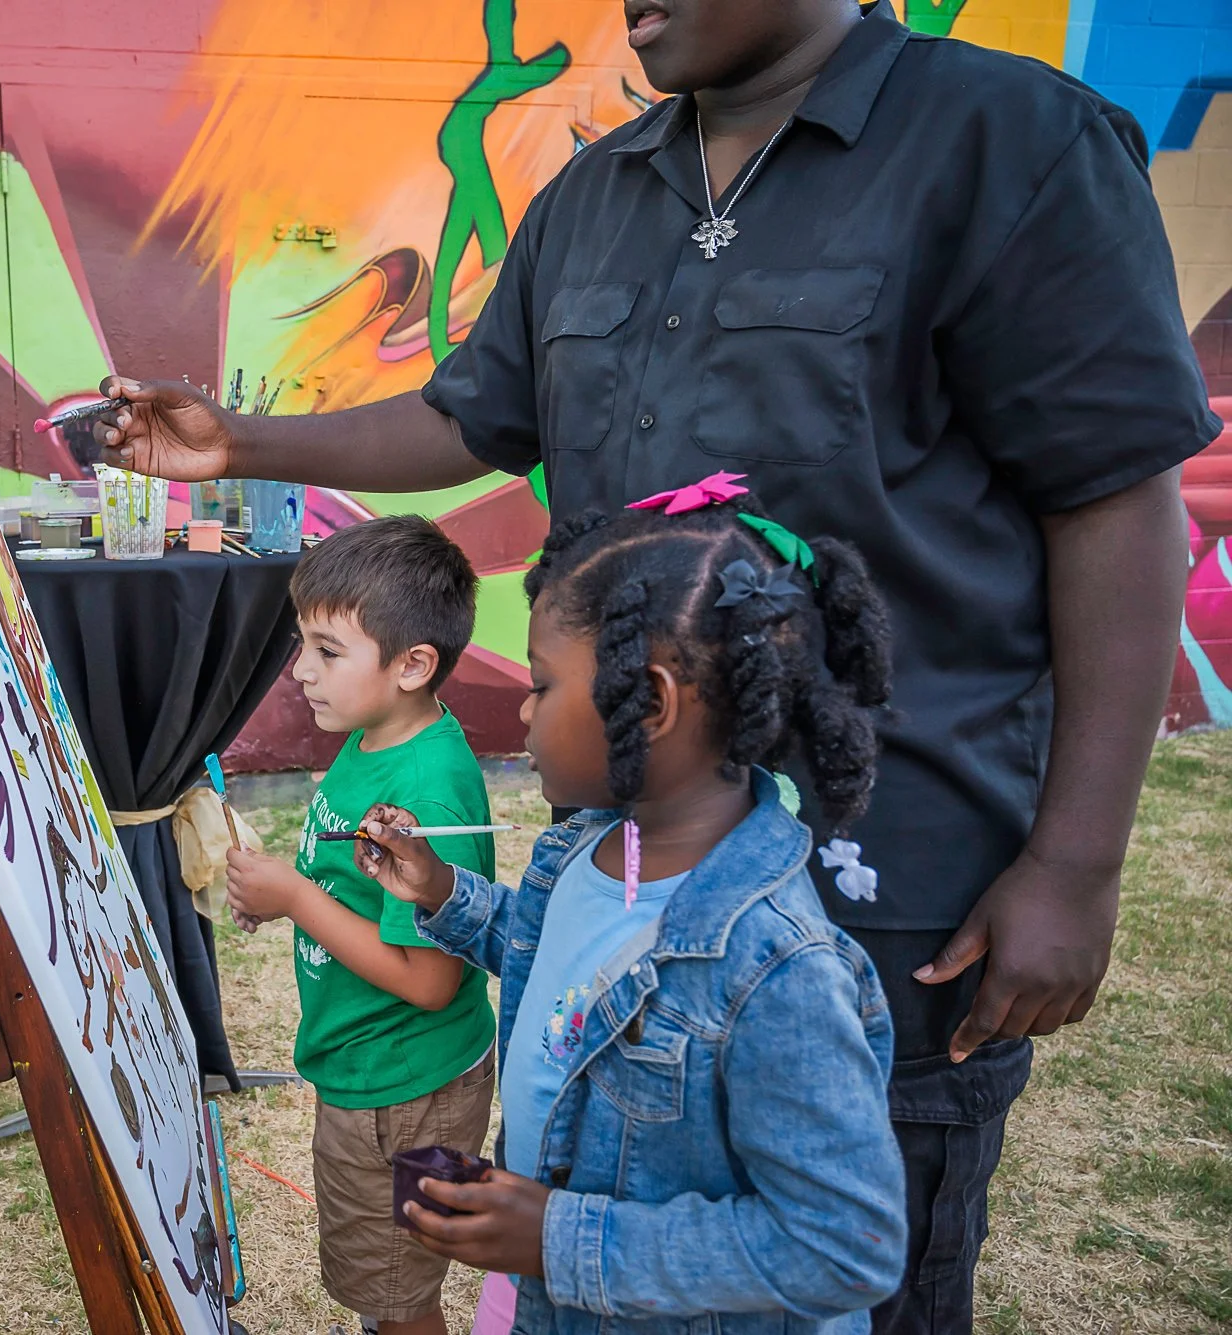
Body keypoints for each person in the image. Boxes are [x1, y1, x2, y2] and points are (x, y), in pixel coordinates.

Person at [93, 2, 1222, 1324]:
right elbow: (472, 414)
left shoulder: (1008, 144)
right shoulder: (591, 193)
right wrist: (238, 445)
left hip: (891, 899)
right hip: (625, 883)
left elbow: (1115, 503)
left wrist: (1077, 862)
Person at [356, 487, 907, 1332]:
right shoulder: (589, 845)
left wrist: (562, 1240)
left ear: (649, 704)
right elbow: (566, 967)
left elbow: (844, 1243)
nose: (525, 711)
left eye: (542, 685)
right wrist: (440, 892)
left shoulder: (774, 965)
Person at [223, 516, 499, 1335]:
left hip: (408, 1090)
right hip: (371, 1073)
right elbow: (352, 881)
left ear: (413, 664)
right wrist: (287, 888)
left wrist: (299, 901)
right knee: (384, 1282)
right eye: (302, 643)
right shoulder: (377, 734)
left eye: (327, 651)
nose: (300, 670)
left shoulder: (428, 793)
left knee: (397, 1294)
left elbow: (430, 977)